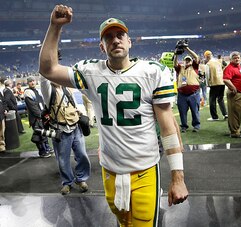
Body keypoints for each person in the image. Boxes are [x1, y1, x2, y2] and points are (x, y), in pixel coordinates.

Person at [39, 5, 188, 226]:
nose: (115, 40)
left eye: (120, 35)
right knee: (123, 223)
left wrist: (178, 177)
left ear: (130, 42)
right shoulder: (91, 72)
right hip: (110, 172)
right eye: (109, 37)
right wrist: (54, 27)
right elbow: (48, 69)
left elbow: (167, 127)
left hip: (144, 170)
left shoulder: (152, 72)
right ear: (102, 46)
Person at [40, 76, 91, 195]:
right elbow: (43, 80)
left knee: (82, 155)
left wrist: (78, 111)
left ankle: (81, 179)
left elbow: (73, 103)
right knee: (63, 160)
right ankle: (67, 182)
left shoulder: (67, 88)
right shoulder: (48, 91)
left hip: (75, 127)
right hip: (60, 130)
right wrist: (48, 62)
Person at [24, 76, 52, 158]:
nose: (32, 82)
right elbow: (33, 107)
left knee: (44, 133)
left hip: (42, 116)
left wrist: (45, 114)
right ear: (28, 83)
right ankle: (42, 151)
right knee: (39, 135)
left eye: (33, 81)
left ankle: (47, 148)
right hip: (36, 118)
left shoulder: (37, 91)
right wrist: (41, 116)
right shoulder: (27, 92)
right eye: (30, 81)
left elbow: (42, 104)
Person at [174, 49, 201, 133]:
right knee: (182, 111)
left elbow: (196, 57)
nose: (188, 61)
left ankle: (196, 126)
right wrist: (176, 54)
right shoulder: (180, 68)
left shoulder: (194, 67)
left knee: (195, 111)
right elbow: (174, 63)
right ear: (184, 61)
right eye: (186, 60)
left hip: (194, 93)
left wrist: (187, 49)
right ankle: (184, 126)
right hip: (182, 94)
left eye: (189, 60)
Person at [223, 51, 241, 138]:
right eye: (234, 58)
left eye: (238, 57)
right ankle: (234, 132)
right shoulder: (229, 68)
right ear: (230, 59)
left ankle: (236, 128)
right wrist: (233, 88)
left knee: (238, 113)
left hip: (240, 94)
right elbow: (226, 79)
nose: (237, 59)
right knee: (235, 114)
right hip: (236, 94)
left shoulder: (238, 66)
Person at [204, 50, 228, 121]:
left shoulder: (208, 64)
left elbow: (207, 75)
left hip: (214, 83)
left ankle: (214, 117)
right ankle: (225, 114)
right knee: (220, 99)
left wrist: (208, 84)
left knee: (212, 100)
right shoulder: (218, 61)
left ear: (206, 56)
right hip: (222, 82)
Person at [0, 77, 7, 152]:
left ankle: (1, 146)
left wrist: (5, 109)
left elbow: (3, 100)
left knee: (1, 131)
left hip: (0, 114)